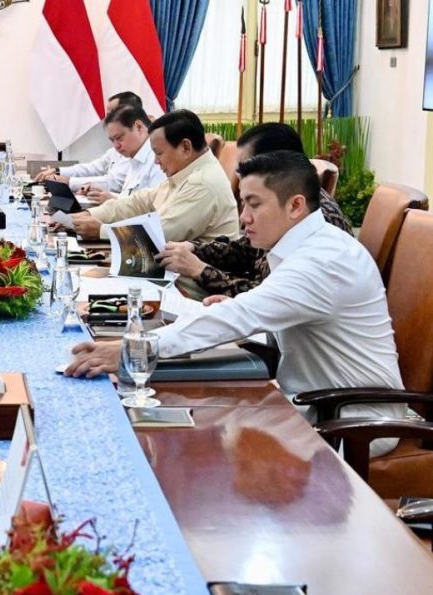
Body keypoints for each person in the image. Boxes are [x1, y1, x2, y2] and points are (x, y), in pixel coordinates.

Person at [66, 151, 406, 457]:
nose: (244, 218)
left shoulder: (324, 260)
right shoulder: (307, 246)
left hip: (352, 421)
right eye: (243, 204)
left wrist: (134, 349)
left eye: (254, 205)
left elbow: (241, 315)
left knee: (196, 443)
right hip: (309, 401)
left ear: (295, 206)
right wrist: (225, 308)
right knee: (190, 425)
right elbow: (271, 316)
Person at [157, 122, 353, 297]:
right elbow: (246, 250)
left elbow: (267, 298)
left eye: (245, 166)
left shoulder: (314, 219)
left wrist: (199, 270)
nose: (238, 175)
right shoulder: (283, 201)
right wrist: (195, 249)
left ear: (275, 164)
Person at [69, 109, 239, 243]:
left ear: (185, 147)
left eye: (159, 153)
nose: (156, 161)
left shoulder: (202, 182)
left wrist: (101, 230)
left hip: (188, 283)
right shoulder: (185, 172)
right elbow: (138, 203)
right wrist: (88, 216)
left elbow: (160, 233)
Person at [33, 91, 144, 195]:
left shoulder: (139, 150)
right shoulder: (119, 149)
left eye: (111, 115)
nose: (107, 119)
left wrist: (69, 182)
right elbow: (94, 168)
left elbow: (115, 183)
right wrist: (58, 171)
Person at [80, 105, 165, 204]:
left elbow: (155, 207)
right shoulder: (134, 158)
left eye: (120, 138)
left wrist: (113, 201)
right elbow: (130, 197)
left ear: (139, 127)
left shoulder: (157, 157)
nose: (116, 146)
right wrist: (103, 194)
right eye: (112, 140)